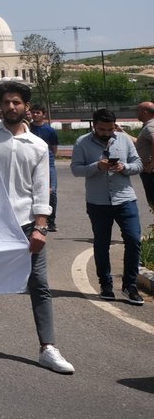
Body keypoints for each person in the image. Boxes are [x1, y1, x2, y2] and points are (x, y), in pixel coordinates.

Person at [0, 82, 73, 374]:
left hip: (27, 225)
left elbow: (42, 189)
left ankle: (47, 347)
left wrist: (41, 226)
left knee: (39, 285)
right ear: (0, 106)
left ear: (26, 107)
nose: (11, 107)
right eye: (6, 102)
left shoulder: (38, 146)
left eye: (16, 102)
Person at [70, 108, 143, 305]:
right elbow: (75, 169)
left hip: (125, 199)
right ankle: (106, 284)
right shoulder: (82, 142)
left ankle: (130, 285)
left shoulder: (124, 139)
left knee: (134, 240)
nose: (107, 133)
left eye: (110, 129)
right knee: (101, 244)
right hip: (98, 202)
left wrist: (124, 167)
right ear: (94, 126)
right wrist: (97, 166)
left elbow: (138, 164)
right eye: (102, 129)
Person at [28, 105, 60, 232]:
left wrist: (49, 159)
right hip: (32, 162)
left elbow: (54, 148)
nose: (35, 115)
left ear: (43, 115)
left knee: (52, 191)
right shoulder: (28, 128)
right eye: (33, 112)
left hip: (49, 164)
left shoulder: (50, 130)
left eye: (38, 113)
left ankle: (51, 220)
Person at [135, 102, 154, 209]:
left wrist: (152, 164)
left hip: (151, 173)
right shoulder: (149, 126)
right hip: (149, 172)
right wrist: (122, 132)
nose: (136, 113)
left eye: (137, 111)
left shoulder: (150, 126)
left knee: (153, 202)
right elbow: (139, 142)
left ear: (145, 112)